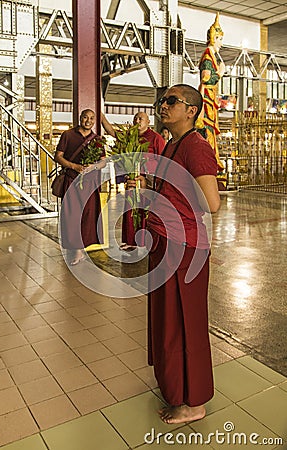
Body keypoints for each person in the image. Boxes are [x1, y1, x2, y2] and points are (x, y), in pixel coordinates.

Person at [127, 84, 220, 424]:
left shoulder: (195, 147)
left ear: (191, 110)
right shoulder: (171, 145)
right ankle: (175, 387)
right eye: (162, 100)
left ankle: (193, 402)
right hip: (165, 243)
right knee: (168, 320)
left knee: (185, 324)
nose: (162, 105)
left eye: (171, 101)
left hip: (185, 248)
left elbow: (211, 203)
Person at [102, 111, 165, 249]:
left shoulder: (156, 138)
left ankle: (145, 241)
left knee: (145, 210)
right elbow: (112, 132)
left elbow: (163, 162)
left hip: (148, 181)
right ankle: (130, 241)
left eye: (141, 118)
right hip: (132, 179)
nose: (137, 121)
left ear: (148, 122)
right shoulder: (130, 137)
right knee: (130, 208)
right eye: (135, 118)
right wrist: (101, 116)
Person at [54, 109, 105, 265]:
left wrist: (94, 166)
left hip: (89, 183)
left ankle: (82, 249)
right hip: (71, 180)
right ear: (80, 118)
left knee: (88, 216)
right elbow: (58, 156)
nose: (88, 121)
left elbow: (103, 161)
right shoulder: (68, 135)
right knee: (72, 216)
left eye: (91, 118)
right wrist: (74, 166)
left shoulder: (97, 139)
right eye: (85, 117)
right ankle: (76, 249)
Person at [197, 12, 225, 174]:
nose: (221, 43)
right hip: (207, 99)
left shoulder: (212, 56)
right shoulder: (208, 56)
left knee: (210, 132)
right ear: (214, 38)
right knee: (207, 132)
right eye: (220, 39)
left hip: (210, 99)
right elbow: (206, 77)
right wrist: (219, 73)